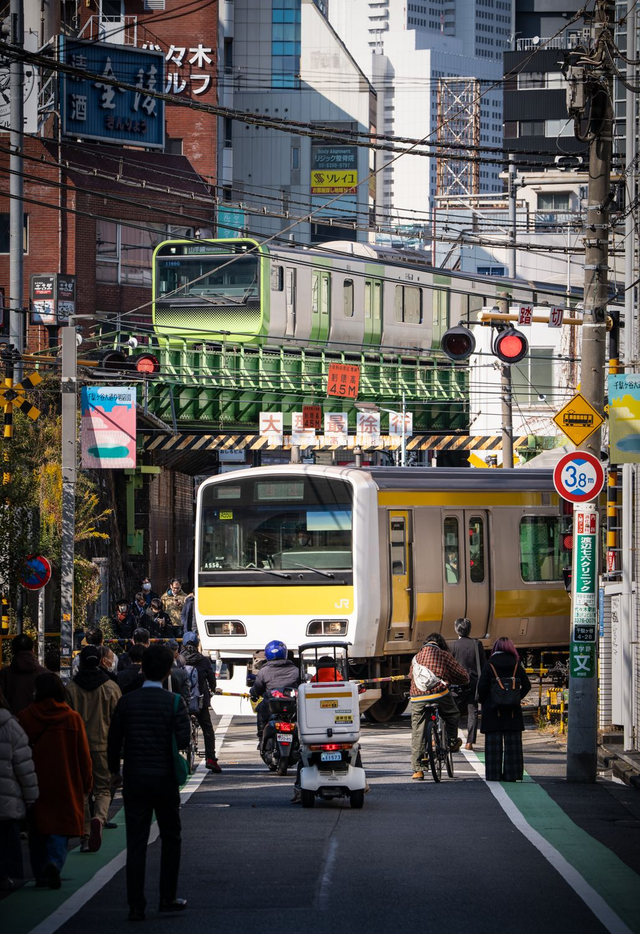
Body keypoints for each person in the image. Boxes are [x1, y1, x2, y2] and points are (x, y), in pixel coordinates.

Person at [107, 644, 190, 921]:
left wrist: (113, 771)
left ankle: (136, 904)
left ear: (142, 668)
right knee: (171, 837)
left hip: (135, 778)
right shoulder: (175, 702)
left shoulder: (126, 701)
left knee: (136, 842)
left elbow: (114, 741)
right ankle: (167, 896)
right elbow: (184, 740)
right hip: (165, 779)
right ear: (168, 670)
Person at [19, 673, 93, 889]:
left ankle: (40, 872)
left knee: (38, 828)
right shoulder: (71, 718)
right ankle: (54, 863)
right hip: (66, 780)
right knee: (60, 828)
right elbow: (83, 755)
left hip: (35, 780)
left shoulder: (25, 717)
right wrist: (87, 782)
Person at [66, 646, 122, 853]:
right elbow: (118, 721)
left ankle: (86, 834)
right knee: (103, 789)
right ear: (100, 661)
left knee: (81, 791)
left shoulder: (71, 689)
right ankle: (100, 817)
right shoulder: (111, 687)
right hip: (103, 745)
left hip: (77, 747)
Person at [409, 632, 469, 781]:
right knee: (452, 713)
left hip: (418, 697)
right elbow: (461, 674)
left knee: (418, 730)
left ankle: (418, 770)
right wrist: (458, 680)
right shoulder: (443, 654)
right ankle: (452, 741)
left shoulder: (416, 657)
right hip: (438, 694)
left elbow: (411, 676)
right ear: (441, 644)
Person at [477, 637, 531, 782]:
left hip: (493, 712)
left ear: (495, 649)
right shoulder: (516, 665)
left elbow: (481, 687)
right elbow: (527, 685)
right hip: (513, 712)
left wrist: (486, 701)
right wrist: (516, 697)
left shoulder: (490, 665)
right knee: (513, 746)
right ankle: (512, 774)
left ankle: (494, 775)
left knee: (493, 747)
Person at [0, 687, 38, 890]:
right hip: (7, 800)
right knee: (7, 841)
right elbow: (24, 766)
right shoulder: (11, 726)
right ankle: (6, 877)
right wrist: (32, 797)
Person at [180, 632, 221, 772]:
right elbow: (211, 679)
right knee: (207, 729)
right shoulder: (203, 660)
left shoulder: (179, 660)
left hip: (183, 702)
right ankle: (211, 758)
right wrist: (213, 688)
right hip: (200, 701)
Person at [250, 640, 301, 743]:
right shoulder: (296, 670)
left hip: (272, 706)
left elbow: (257, 689)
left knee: (261, 709)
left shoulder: (264, 671)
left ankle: (261, 737)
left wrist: (253, 693)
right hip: (292, 705)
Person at [450, 617, 486, 751]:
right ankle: (470, 742)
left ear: (456, 629)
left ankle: (453, 739)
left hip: (458, 684)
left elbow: (450, 665)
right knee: (473, 711)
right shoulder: (477, 644)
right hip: (474, 682)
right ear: (469, 629)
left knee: (455, 712)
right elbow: (483, 664)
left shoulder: (453, 646)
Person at [0, 634, 47, 715]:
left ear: (12, 651)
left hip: (12, 724)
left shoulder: (3, 675)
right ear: (32, 650)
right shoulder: (46, 675)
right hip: (40, 725)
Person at [163, 640, 191, 709]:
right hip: (177, 708)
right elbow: (186, 695)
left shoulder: (156, 671)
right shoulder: (182, 673)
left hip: (161, 709)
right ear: (176, 654)